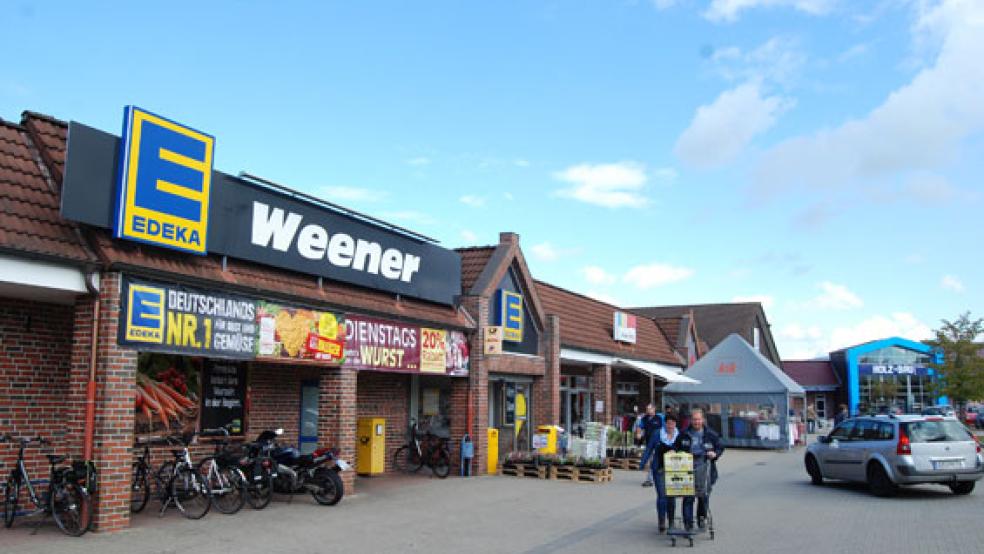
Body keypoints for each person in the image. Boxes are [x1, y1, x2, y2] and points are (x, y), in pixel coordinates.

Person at [678, 408, 724, 531]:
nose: (696, 422)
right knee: (688, 496)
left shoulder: (711, 434)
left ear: (703, 420)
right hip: (687, 468)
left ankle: (701, 517)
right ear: (690, 420)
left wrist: (715, 454)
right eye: (694, 419)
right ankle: (688, 523)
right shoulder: (684, 433)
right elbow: (676, 447)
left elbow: (720, 447)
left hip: (705, 468)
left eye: (698, 419)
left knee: (703, 496)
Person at [640, 412, 682, 533]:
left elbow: (685, 450)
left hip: (674, 470)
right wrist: (643, 463)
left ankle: (672, 520)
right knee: (662, 496)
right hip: (659, 469)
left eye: (672, 423)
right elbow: (649, 448)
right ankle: (662, 520)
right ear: (665, 423)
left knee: (672, 497)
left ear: (675, 424)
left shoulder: (679, 435)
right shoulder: (658, 434)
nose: (670, 426)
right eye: (668, 423)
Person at [635, 404, 662, 487]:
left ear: (654, 409)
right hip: (649, 443)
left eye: (650, 409)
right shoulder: (644, 418)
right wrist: (638, 433)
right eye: (647, 409)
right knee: (651, 461)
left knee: (655, 461)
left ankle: (654, 479)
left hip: (658, 443)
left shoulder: (660, 418)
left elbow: (665, 428)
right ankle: (650, 479)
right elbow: (639, 426)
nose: (648, 410)